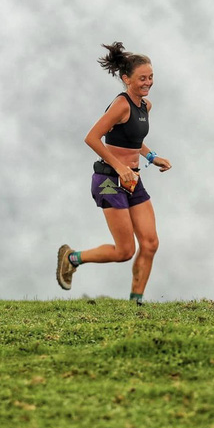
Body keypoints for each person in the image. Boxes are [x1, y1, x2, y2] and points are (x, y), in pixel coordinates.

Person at [56, 42, 172, 304]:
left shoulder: (145, 106)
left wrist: (152, 157)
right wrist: (120, 167)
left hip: (132, 181)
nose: (148, 82)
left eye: (151, 77)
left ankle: (136, 303)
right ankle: (72, 258)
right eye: (142, 78)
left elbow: (132, 140)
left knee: (150, 243)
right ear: (126, 79)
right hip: (108, 181)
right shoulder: (121, 105)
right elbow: (92, 138)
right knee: (125, 251)